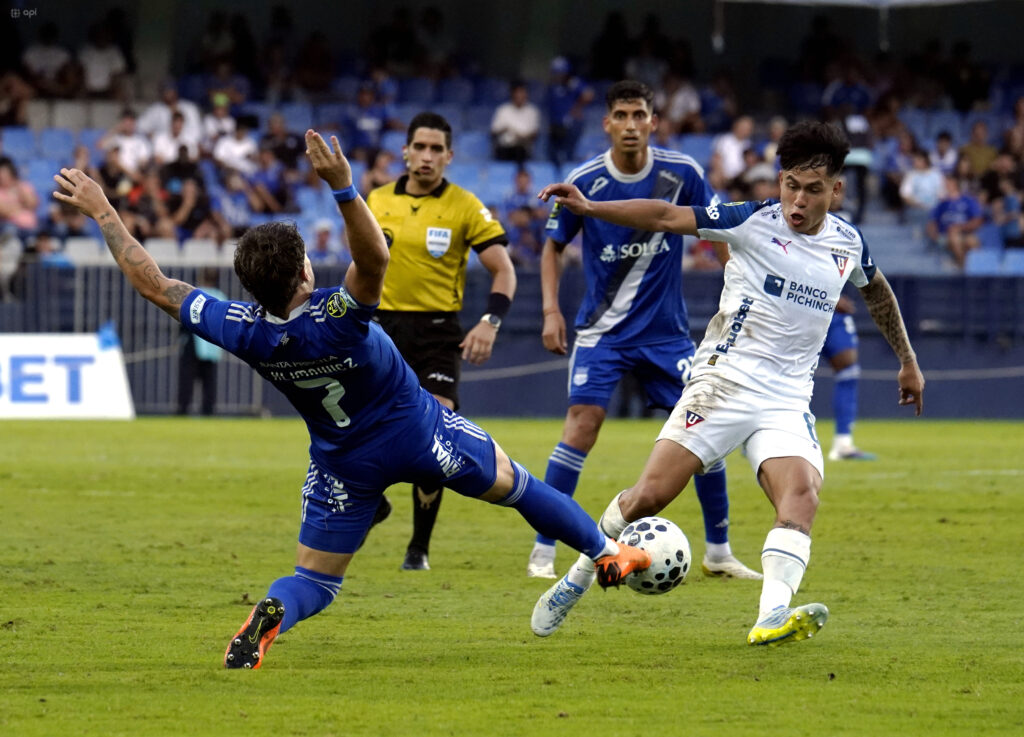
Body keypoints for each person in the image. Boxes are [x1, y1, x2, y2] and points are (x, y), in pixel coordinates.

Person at [52, 130, 651, 669]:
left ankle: (271, 613)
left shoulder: (243, 328)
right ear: (305, 277)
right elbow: (375, 258)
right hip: (420, 434)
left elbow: (154, 282)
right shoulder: (338, 317)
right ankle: (607, 551)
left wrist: (104, 209)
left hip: (343, 462)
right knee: (520, 487)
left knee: (315, 580)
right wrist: (342, 186)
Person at [532, 120, 925, 646]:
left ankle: (770, 616)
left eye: (812, 190)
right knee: (650, 496)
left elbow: (877, 292)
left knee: (802, 496)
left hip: (786, 398)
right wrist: (591, 209)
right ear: (779, 181)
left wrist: (907, 359)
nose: (797, 201)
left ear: (836, 190)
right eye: (790, 185)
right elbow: (667, 214)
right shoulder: (751, 222)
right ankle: (578, 576)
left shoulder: (848, 243)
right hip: (723, 385)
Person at [529, 80, 759, 581]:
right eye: (622, 116)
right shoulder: (584, 179)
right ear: (607, 123)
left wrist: (739, 292)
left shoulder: (683, 173)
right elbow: (552, 246)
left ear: (655, 122)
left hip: (666, 335)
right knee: (581, 428)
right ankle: (543, 551)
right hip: (601, 334)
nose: (631, 125)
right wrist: (551, 310)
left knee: (705, 434)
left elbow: (720, 232)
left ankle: (718, 552)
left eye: (640, 115)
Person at [365, 112, 517, 571]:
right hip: (381, 330)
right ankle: (372, 502)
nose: (427, 157)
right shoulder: (375, 201)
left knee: (434, 433)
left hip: (435, 333)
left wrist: (489, 321)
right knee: (360, 427)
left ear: (449, 157)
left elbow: (504, 270)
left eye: (437, 150)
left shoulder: (465, 206)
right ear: (405, 152)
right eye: (420, 147)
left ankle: (419, 548)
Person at [177, 268, 227, 416]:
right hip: (212, 345)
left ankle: (183, 410)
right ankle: (208, 410)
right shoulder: (221, 296)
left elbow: (183, 317)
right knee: (209, 381)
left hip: (193, 343)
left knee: (187, 379)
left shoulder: (194, 294)